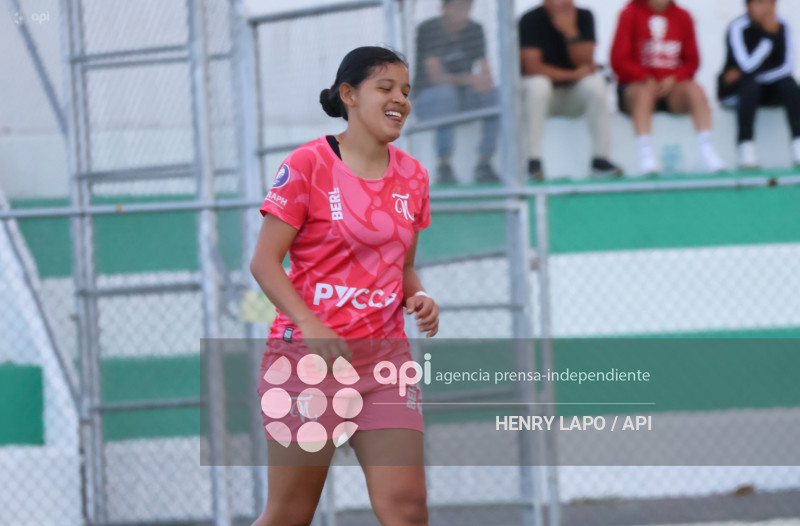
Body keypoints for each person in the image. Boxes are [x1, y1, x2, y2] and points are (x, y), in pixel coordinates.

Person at [249, 46, 438, 526]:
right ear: (349, 95)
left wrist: (418, 296)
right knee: (289, 514)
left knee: (408, 507)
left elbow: (403, 267)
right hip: (307, 365)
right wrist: (309, 323)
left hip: (385, 366)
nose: (400, 100)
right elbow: (264, 263)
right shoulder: (308, 164)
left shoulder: (413, 177)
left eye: (406, 91)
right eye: (386, 88)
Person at [611, 0, 726, 175]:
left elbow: (692, 60)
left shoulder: (683, 16)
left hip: (671, 89)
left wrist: (675, 78)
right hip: (637, 87)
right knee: (643, 93)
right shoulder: (629, 13)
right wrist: (644, 77)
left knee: (695, 90)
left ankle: (706, 150)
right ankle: (646, 154)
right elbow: (618, 59)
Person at [519, 0, 623, 181]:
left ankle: (600, 159)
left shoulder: (584, 16)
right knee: (538, 85)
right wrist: (572, 75)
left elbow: (585, 61)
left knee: (596, 83)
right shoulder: (530, 19)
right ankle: (533, 161)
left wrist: (570, 32)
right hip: (541, 99)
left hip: (572, 98)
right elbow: (532, 67)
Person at [413, 0, 501, 185]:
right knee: (446, 94)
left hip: (463, 99)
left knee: (497, 95)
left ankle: (483, 164)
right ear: (445, 8)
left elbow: (486, 74)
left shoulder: (475, 29)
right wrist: (470, 79)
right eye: (459, 7)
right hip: (428, 101)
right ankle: (444, 166)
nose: (464, 13)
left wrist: (482, 82)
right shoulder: (429, 29)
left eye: (468, 7)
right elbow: (436, 78)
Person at [718, 0, 800, 169]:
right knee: (750, 85)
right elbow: (747, 65)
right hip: (735, 93)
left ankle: (798, 145)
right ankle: (745, 148)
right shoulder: (737, 27)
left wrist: (753, 76)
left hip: (767, 89)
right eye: (757, 3)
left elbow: (786, 67)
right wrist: (768, 37)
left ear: (774, 5)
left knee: (790, 85)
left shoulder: (783, 25)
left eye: (767, 3)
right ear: (748, 6)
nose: (762, 8)